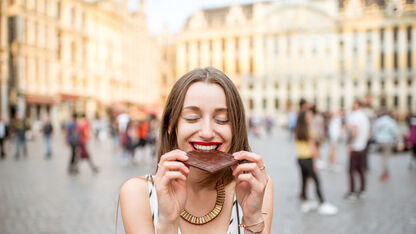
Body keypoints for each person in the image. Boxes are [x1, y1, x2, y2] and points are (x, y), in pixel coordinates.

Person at [119, 67, 273, 234]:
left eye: (222, 120)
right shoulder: (137, 194)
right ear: (172, 125)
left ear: (236, 127)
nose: (207, 132)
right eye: (192, 118)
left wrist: (252, 218)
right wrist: (167, 222)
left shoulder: (255, 187)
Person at [294, 110, 338, 215]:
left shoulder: (297, 130)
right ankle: (322, 203)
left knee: (304, 181)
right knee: (317, 180)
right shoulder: (308, 131)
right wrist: (316, 161)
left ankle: (305, 202)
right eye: (309, 117)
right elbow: (312, 148)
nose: (310, 119)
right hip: (308, 158)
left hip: (300, 158)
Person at [345, 100, 370, 199]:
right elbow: (368, 132)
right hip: (362, 146)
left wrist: (351, 144)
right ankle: (362, 190)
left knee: (351, 170)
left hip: (356, 146)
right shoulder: (364, 116)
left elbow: (355, 130)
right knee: (361, 169)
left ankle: (352, 192)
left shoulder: (355, 115)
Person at [373, 110, 398, 181]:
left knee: (382, 157)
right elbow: (394, 132)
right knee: (386, 158)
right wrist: (397, 141)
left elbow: (375, 131)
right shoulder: (391, 121)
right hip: (387, 141)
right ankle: (385, 173)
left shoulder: (379, 121)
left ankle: (384, 172)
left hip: (380, 141)